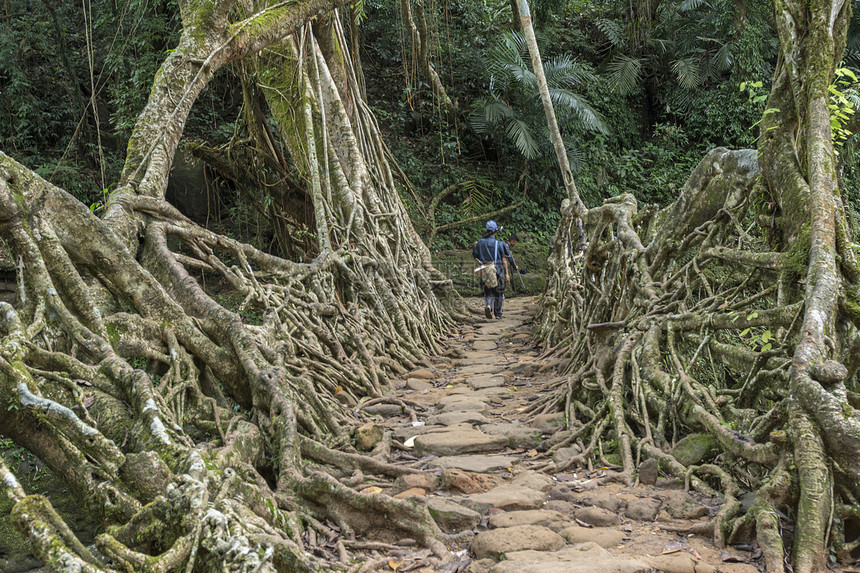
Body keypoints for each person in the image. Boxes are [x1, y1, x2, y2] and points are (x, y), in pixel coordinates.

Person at [473, 220, 518, 319]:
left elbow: (475, 255)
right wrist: (506, 273)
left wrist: (475, 247)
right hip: (497, 270)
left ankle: (489, 306)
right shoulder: (500, 244)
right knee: (498, 292)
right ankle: (498, 314)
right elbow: (503, 259)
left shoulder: (479, 242)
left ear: (486, 231)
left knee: (488, 291)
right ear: (495, 232)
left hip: (485, 271)